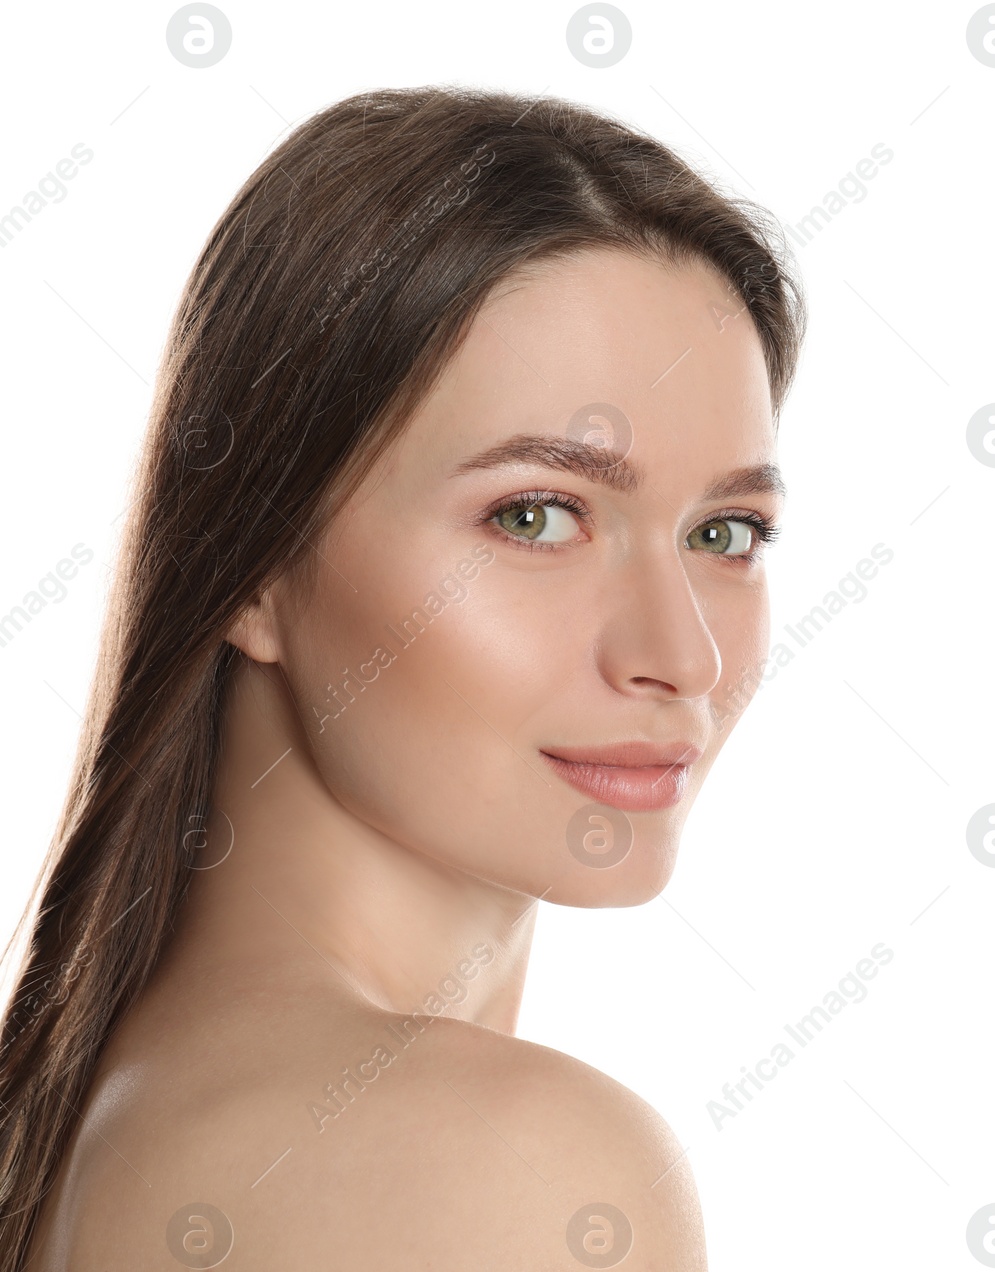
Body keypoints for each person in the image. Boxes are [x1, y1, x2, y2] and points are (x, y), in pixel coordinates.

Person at [0, 84, 805, 1268]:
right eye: (536, 514)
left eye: (725, 534)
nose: (681, 657)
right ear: (254, 562)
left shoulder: (79, 1131)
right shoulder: (515, 1165)